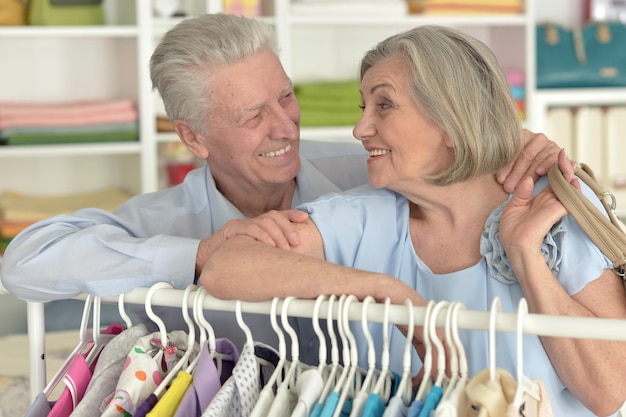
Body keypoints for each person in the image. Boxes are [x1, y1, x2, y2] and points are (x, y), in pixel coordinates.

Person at [2, 15, 559, 354]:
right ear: (193, 138)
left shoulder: (366, 168)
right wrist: (194, 257)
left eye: (286, 97)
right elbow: (25, 261)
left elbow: (447, 146)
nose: (285, 126)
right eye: (252, 116)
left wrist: (523, 147)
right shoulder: (167, 221)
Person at [199, 25, 626, 416]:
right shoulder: (366, 216)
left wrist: (525, 254)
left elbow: (610, 392)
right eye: (363, 106)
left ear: (452, 118)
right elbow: (224, 268)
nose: (359, 128)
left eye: (384, 105)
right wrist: (384, 290)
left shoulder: (552, 206)